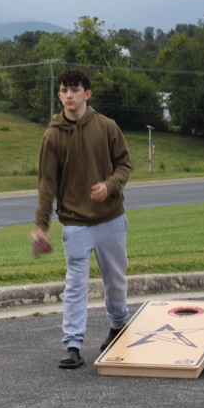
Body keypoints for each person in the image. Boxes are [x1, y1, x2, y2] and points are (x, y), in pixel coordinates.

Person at [31, 68, 132, 369]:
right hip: (75, 222)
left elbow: (124, 165)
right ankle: (73, 344)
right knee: (76, 281)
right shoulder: (52, 136)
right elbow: (46, 184)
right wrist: (40, 226)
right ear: (59, 94)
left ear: (87, 94)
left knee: (115, 279)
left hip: (111, 218)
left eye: (75, 90)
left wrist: (109, 185)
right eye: (64, 90)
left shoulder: (107, 127)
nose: (69, 95)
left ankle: (118, 324)